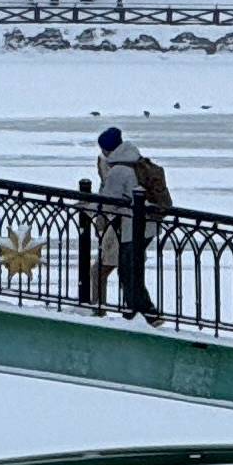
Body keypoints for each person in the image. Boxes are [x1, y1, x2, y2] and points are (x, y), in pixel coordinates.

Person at [94, 125, 162, 324]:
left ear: (107, 150)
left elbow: (108, 203)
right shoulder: (136, 160)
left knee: (128, 270)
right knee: (133, 268)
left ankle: (139, 313)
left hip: (133, 227)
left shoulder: (118, 171)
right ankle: (144, 312)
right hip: (148, 225)